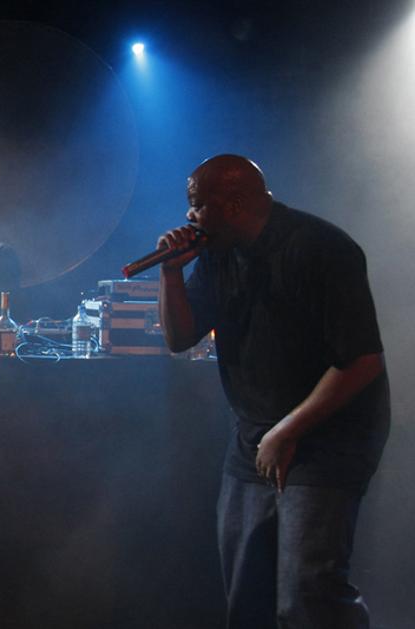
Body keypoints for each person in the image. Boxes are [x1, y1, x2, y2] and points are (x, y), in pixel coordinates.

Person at [157, 154, 389, 628]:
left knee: (308, 594)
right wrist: (171, 273)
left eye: (197, 204)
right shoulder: (217, 253)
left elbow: (362, 362)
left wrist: (286, 432)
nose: (189, 215)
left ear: (234, 204)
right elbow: (179, 338)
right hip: (256, 436)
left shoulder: (322, 249)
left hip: (329, 438)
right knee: (247, 592)